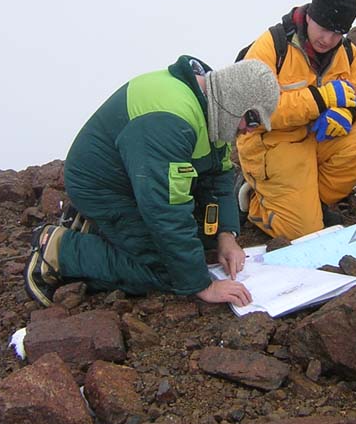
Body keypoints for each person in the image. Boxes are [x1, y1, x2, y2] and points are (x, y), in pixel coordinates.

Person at [24, 56, 280, 308]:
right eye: (253, 119)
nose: (250, 130)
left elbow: (219, 177)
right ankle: (59, 250)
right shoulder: (170, 120)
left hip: (137, 181)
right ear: (236, 99)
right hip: (103, 187)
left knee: (202, 242)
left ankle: (97, 229)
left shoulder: (213, 109)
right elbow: (165, 210)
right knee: (168, 271)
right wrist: (203, 285)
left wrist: (227, 234)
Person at [236, 0, 356, 240]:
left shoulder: (347, 53)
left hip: (317, 138)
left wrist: (348, 114)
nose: (327, 39)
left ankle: (308, 202)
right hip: (273, 142)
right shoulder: (272, 46)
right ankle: (256, 202)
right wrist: (320, 99)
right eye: (324, 28)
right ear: (309, 16)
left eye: (337, 33)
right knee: (305, 233)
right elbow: (252, 112)